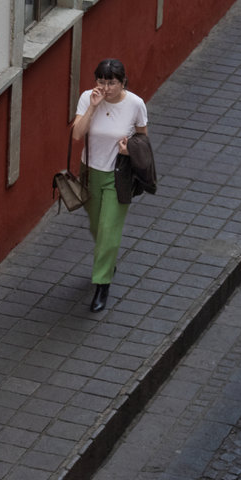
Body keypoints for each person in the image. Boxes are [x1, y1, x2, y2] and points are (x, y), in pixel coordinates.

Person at [70, 58, 148, 313]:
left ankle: (102, 284)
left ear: (122, 82)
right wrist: (92, 107)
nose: (105, 87)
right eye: (101, 81)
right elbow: (77, 135)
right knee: (96, 225)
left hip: (118, 175)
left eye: (111, 83)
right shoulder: (87, 98)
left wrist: (129, 150)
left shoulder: (135, 104)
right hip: (90, 171)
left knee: (108, 229)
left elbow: (142, 139)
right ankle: (108, 258)